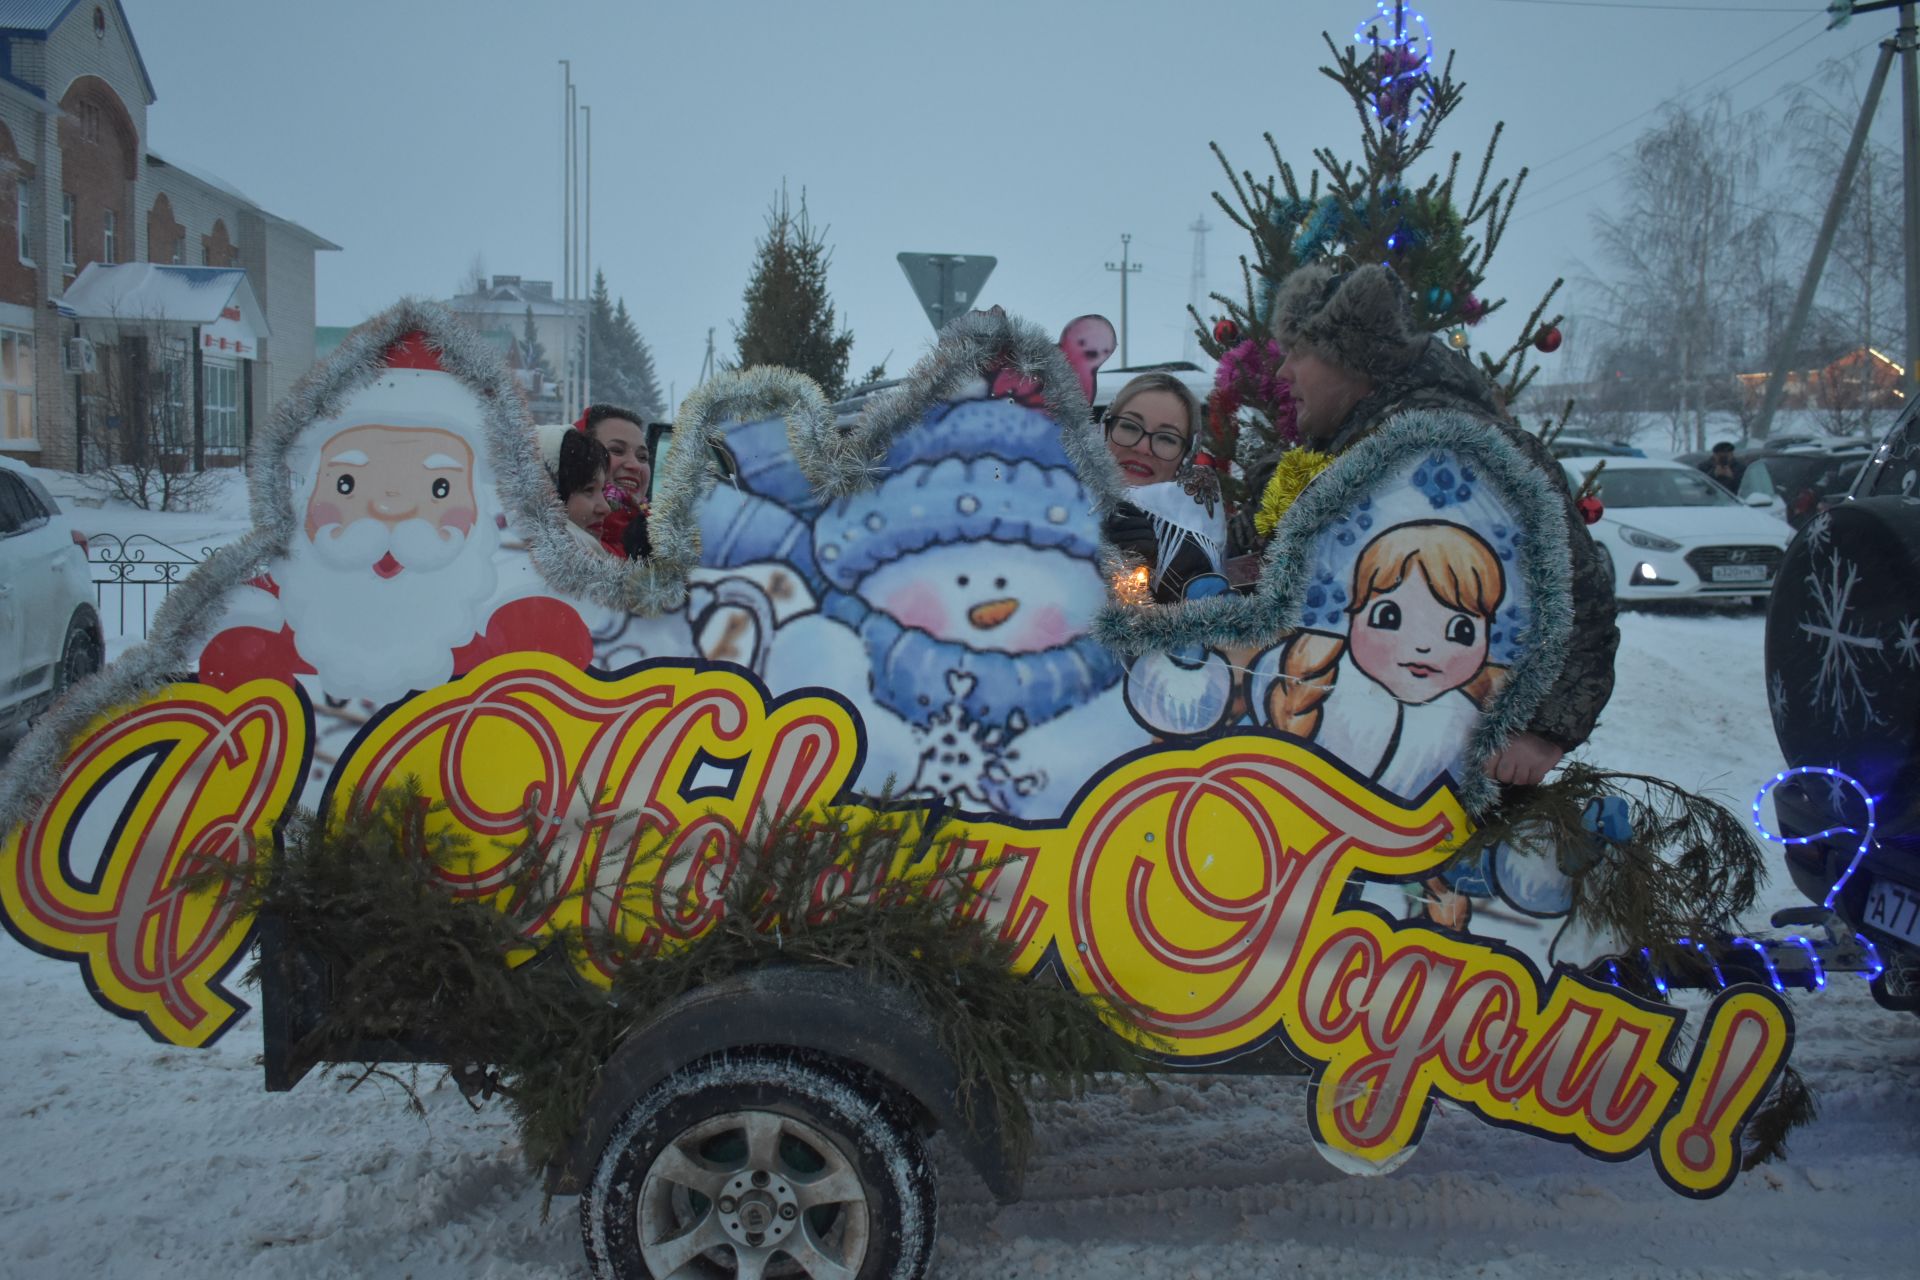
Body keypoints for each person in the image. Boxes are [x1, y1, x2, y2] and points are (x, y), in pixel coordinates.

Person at [1260, 261, 1620, 787]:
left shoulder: (1467, 457)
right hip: (1343, 765)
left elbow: (1580, 601)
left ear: (1350, 356)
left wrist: (1541, 731)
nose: (1281, 373)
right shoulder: (1350, 456)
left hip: (1450, 785)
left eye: (1298, 351)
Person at [1099, 372, 1226, 603]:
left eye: (1166, 439)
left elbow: (1195, 631)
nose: (1142, 447)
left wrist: (1144, 571)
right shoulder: (1047, 501)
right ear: (1105, 429)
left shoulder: (1188, 544)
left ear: (1185, 457)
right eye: (1129, 426)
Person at [576, 403, 652, 559]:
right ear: (578, 458)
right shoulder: (563, 545)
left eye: (642, 457)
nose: (635, 465)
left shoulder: (654, 539)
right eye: (617, 450)